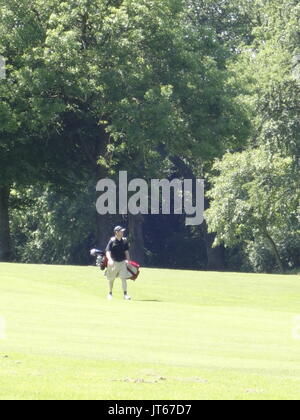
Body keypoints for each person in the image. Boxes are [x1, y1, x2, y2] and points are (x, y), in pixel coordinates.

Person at [105, 226, 131, 300]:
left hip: (122, 262)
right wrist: (109, 260)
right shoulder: (112, 241)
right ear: (116, 232)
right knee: (111, 279)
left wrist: (128, 261)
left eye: (122, 231)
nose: (122, 232)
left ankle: (125, 294)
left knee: (123, 278)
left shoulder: (125, 241)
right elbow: (107, 252)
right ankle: (110, 293)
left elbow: (126, 252)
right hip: (113, 263)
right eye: (121, 231)